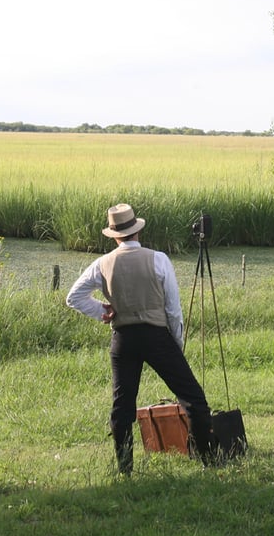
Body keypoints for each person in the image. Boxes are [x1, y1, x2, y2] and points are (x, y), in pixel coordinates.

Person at [65, 203, 215, 475]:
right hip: (156, 335)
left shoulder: (102, 264)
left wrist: (103, 310)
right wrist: (176, 345)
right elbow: (173, 310)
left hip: (123, 338)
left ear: (114, 235)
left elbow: (73, 298)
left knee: (122, 406)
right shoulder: (158, 259)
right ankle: (206, 459)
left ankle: (125, 468)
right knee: (194, 399)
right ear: (137, 231)